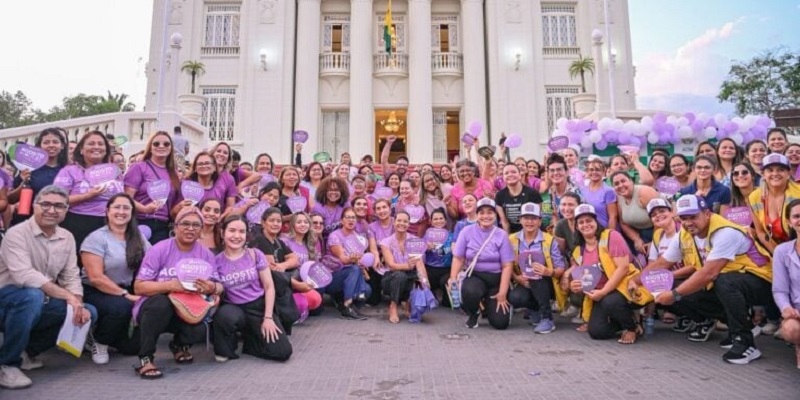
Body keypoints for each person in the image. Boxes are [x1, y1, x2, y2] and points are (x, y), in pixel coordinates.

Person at [641, 195, 772, 364]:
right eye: (684, 218)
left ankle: (745, 342)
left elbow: (709, 273)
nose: (688, 223)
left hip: (763, 283)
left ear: (707, 214)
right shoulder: (684, 234)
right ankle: (739, 327)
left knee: (721, 281)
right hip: (728, 281)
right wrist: (638, 281)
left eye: (693, 217)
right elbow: (663, 263)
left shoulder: (725, 232)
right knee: (676, 285)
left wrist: (674, 295)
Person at [0, 185, 97, 389]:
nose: (52, 210)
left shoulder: (67, 237)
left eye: (59, 206)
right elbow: (24, 275)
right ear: (34, 206)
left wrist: (77, 303)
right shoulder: (16, 234)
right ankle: (7, 364)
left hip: (38, 300)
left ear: (66, 210)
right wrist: (67, 297)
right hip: (8, 298)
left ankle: (25, 352)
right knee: (32, 295)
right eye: (45, 204)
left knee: (88, 313)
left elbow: (71, 275)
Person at [133, 207, 220, 379]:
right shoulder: (159, 249)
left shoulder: (205, 254)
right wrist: (170, 285)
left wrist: (212, 288)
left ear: (201, 230)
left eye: (196, 225)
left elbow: (218, 285)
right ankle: (146, 358)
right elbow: (139, 287)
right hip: (155, 307)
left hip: (187, 307)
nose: (190, 228)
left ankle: (179, 345)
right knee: (161, 304)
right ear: (175, 226)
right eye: (185, 224)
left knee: (201, 326)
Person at [565, 204, 651, 344]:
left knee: (610, 300)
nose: (585, 224)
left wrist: (603, 291)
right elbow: (585, 278)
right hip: (601, 294)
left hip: (624, 288)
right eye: (581, 222)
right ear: (576, 227)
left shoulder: (611, 236)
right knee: (597, 332)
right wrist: (575, 286)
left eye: (589, 220)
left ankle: (631, 327)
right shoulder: (578, 250)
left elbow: (623, 268)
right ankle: (621, 321)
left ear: (596, 221)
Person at [81, 194, 150, 364]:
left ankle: (112, 334)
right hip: (94, 290)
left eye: (126, 208)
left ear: (132, 212)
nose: (121, 211)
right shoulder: (96, 238)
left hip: (125, 288)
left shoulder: (137, 236)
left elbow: (154, 258)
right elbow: (96, 278)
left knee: (133, 348)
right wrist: (125, 295)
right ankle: (99, 341)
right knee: (121, 306)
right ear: (107, 211)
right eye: (117, 207)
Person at [213, 216, 292, 363]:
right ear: (223, 233)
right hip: (234, 307)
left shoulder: (255, 254)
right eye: (232, 231)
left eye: (241, 232)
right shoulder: (216, 261)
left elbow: (269, 287)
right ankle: (228, 342)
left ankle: (250, 342)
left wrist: (268, 318)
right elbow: (216, 290)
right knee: (225, 318)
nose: (237, 236)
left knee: (283, 352)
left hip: (258, 307)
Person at [447, 198, 514, 330]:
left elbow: (507, 265)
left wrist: (502, 293)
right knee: (470, 291)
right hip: (475, 275)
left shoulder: (502, 235)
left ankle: (489, 306)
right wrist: (453, 278)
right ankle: (474, 312)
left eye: (490, 212)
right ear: (477, 215)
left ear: (495, 215)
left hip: (496, 279)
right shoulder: (466, 231)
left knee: (500, 323)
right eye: (481, 212)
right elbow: (458, 258)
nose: (485, 216)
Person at [54, 130, 122, 253]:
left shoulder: (115, 171)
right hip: (78, 222)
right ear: (81, 149)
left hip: (110, 223)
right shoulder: (69, 171)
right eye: (91, 143)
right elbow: (57, 200)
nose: (96, 147)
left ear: (106, 150)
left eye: (100, 144)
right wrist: (88, 195)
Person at [508, 203, 566, 334]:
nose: (529, 222)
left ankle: (547, 318)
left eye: (533, 218)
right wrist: (517, 278)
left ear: (539, 221)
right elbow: (506, 265)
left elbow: (560, 268)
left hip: (546, 282)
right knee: (515, 297)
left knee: (536, 276)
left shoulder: (549, 240)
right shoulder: (511, 239)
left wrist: (548, 271)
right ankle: (535, 309)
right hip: (524, 281)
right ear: (520, 220)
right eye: (526, 218)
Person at [124, 131, 181, 244]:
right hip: (141, 221)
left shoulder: (173, 173)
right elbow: (126, 198)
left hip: (164, 225)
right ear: (150, 147)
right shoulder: (139, 167)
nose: (161, 146)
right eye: (156, 144)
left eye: (166, 144)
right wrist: (144, 208)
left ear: (171, 148)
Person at [8, 128, 68, 225]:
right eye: (46, 142)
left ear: (62, 146)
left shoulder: (68, 170)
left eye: (55, 142)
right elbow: (10, 199)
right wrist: (23, 183)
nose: (51, 145)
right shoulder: (29, 169)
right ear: (40, 146)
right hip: (27, 222)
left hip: (57, 223)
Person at [380, 211, 430, 323]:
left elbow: (419, 264)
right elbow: (391, 265)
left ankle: (408, 303)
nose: (402, 223)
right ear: (394, 222)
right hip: (391, 278)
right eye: (399, 220)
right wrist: (407, 266)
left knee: (416, 277)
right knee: (400, 275)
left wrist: (425, 282)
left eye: (405, 221)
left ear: (409, 224)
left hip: (409, 276)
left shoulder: (415, 241)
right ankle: (393, 306)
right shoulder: (385, 242)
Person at [321, 207, 370, 320]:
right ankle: (347, 306)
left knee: (367, 290)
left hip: (352, 274)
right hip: (333, 276)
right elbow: (343, 259)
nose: (351, 220)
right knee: (354, 269)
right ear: (342, 220)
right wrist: (353, 259)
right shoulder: (335, 236)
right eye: (348, 217)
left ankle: (350, 306)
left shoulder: (358, 237)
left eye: (353, 217)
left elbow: (361, 259)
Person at [749, 153, 800, 253]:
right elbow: (760, 232)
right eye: (770, 170)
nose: (775, 173)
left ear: (788, 174)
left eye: (781, 170)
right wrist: (778, 254)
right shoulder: (754, 197)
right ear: (763, 174)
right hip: (773, 249)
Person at [771, 199, 800, 368]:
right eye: (797, 216)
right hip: (797, 312)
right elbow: (780, 290)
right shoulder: (782, 251)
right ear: (789, 222)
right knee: (790, 329)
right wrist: (786, 308)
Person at [173, 152, 237, 218]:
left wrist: (220, 219)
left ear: (214, 167)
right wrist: (179, 206)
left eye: (207, 163)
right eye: (200, 164)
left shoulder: (221, 187)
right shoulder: (185, 185)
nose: (203, 166)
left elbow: (230, 207)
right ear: (195, 168)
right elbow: (172, 213)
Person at [611, 171, 658, 254]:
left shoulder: (644, 192)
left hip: (659, 230)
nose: (620, 185)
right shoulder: (619, 197)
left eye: (623, 181)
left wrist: (655, 242)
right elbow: (623, 223)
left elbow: (661, 217)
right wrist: (636, 239)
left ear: (631, 181)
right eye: (616, 184)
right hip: (638, 234)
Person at [495, 164, 543, 233]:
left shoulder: (533, 193)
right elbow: (504, 222)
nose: (510, 175)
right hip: (512, 233)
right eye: (506, 173)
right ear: (503, 177)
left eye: (513, 172)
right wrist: (507, 238)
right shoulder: (499, 195)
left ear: (520, 175)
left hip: (532, 231)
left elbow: (538, 219)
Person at [423, 208, 454, 306]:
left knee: (447, 304)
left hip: (446, 270)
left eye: (441, 218)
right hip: (430, 270)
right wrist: (426, 248)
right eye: (435, 219)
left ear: (445, 221)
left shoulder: (452, 236)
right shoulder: (427, 235)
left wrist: (453, 249)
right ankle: (432, 293)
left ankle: (445, 296)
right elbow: (419, 253)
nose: (438, 221)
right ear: (431, 222)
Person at [582, 158, 618, 230]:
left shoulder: (608, 191)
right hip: (588, 231)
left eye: (597, 170)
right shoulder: (583, 189)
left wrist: (609, 234)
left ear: (603, 172)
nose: (594, 172)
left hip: (604, 231)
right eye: (591, 170)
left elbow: (613, 217)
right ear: (587, 171)